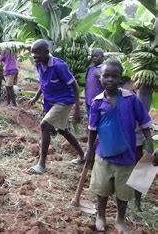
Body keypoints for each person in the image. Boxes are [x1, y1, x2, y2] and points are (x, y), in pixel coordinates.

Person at [85, 60, 153, 233]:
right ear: (100, 78)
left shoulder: (131, 100)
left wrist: (150, 148)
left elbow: (145, 124)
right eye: (106, 76)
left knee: (123, 194)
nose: (110, 80)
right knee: (102, 190)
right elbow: (92, 130)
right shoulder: (97, 103)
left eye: (114, 76)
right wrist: (89, 150)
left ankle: (120, 219)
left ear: (120, 79)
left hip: (126, 157)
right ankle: (100, 216)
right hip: (103, 156)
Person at [27, 39, 85, 174]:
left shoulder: (59, 66)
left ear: (47, 52)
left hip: (64, 100)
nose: (34, 56)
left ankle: (41, 164)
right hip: (50, 100)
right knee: (63, 130)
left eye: (37, 53)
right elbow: (43, 83)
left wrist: (77, 108)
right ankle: (82, 156)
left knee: (44, 125)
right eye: (32, 53)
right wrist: (36, 97)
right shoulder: (39, 64)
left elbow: (74, 84)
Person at [85, 48, 104, 117]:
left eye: (96, 56)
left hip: (99, 101)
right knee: (90, 119)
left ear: (102, 57)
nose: (94, 58)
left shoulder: (104, 69)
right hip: (88, 100)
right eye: (93, 56)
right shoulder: (90, 69)